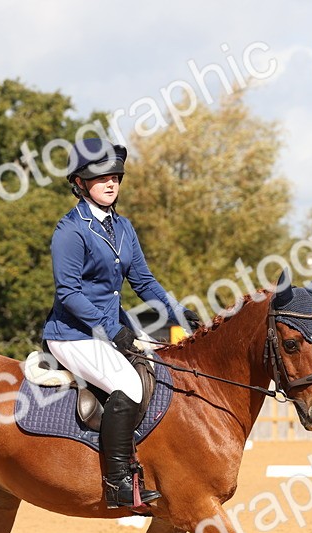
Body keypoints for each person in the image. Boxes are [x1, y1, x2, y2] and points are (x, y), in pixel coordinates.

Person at [41, 138, 201, 509]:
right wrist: (113, 331)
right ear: (80, 183)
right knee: (128, 384)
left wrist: (176, 312)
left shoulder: (124, 227)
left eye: (115, 176)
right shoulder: (69, 231)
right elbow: (69, 293)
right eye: (101, 178)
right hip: (72, 334)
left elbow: (143, 280)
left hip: (113, 324)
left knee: (164, 366)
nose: (111, 183)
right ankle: (117, 482)